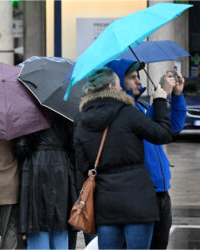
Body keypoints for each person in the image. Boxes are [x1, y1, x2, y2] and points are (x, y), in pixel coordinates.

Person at [74, 67, 172, 249]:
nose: (120, 89)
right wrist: (160, 101)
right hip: (138, 200)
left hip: (106, 203)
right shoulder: (127, 112)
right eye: (118, 85)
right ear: (111, 86)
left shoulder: (81, 119)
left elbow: (81, 166)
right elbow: (163, 134)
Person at [107, 59, 186, 249]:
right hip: (142, 193)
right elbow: (146, 128)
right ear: (117, 83)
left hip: (161, 192)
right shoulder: (122, 112)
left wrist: (177, 95)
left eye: (138, 76)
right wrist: (161, 96)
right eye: (132, 77)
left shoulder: (141, 107)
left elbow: (173, 125)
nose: (138, 81)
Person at [13, 113, 77, 249]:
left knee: (36, 219)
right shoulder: (65, 113)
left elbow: (21, 146)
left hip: (36, 168)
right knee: (61, 219)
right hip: (61, 167)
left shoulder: (29, 112)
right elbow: (74, 145)